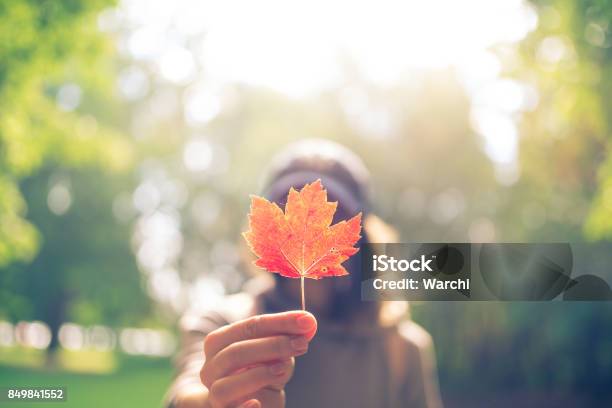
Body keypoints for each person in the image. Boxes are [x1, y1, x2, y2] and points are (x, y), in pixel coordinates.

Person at [166, 139, 443, 408]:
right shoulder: (222, 322)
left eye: (335, 212)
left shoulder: (402, 349)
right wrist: (208, 402)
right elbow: (190, 388)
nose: (304, 236)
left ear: (363, 237)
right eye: (286, 207)